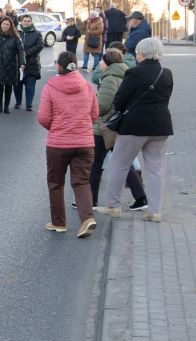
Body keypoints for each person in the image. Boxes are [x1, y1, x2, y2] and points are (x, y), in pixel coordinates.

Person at [96, 38, 173, 222]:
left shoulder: (133, 73)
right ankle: (154, 211)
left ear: (142, 54)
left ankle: (113, 206)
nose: (136, 55)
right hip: (161, 125)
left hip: (134, 126)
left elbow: (120, 99)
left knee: (119, 163)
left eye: (137, 52)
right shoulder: (166, 73)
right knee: (156, 168)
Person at [37, 51, 99, 237]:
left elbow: (43, 117)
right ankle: (87, 218)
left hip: (58, 144)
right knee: (81, 181)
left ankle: (59, 222)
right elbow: (94, 114)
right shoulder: (87, 86)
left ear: (59, 66)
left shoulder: (50, 87)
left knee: (56, 183)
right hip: (85, 143)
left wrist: (56, 128)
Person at [88, 49, 147, 209]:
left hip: (105, 127)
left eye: (102, 61)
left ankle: (91, 200)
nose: (100, 63)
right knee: (123, 162)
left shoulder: (109, 79)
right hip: (119, 125)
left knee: (95, 163)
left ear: (108, 63)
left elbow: (102, 105)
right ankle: (141, 198)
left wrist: (91, 108)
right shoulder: (126, 75)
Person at [0, 17, 23, 114]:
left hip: (11, 64)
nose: (5, 26)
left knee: (9, 86)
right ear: (0, 24)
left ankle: (6, 106)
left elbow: (20, 50)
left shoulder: (15, 36)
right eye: (4, 24)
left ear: (11, 25)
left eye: (7, 24)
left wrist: (22, 63)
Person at [18, 14, 43, 111]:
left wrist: (26, 53)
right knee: (17, 85)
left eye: (28, 21)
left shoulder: (37, 33)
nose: (26, 23)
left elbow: (39, 46)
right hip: (18, 63)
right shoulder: (16, 32)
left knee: (30, 85)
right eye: (25, 21)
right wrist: (20, 54)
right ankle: (18, 102)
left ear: (31, 22)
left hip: (32, 62)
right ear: (21, 22)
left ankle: (29, 104)